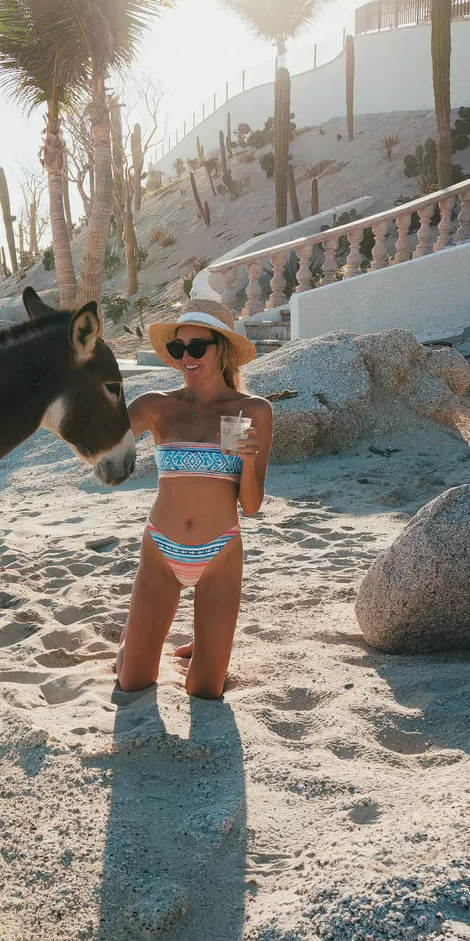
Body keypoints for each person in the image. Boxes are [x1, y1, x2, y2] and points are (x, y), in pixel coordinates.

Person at [116, 300, 272, 700]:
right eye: (178, 349)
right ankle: (135, 646)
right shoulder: (156, 405)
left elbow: (250, 506)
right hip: (160, 550)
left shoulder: (249, 410)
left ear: (222, 349)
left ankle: (204, 646)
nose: (187, 357)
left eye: (197, 347)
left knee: (204, 690)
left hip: (220, 555)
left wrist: (249, 462)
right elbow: (104, 445)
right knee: (132, 681)